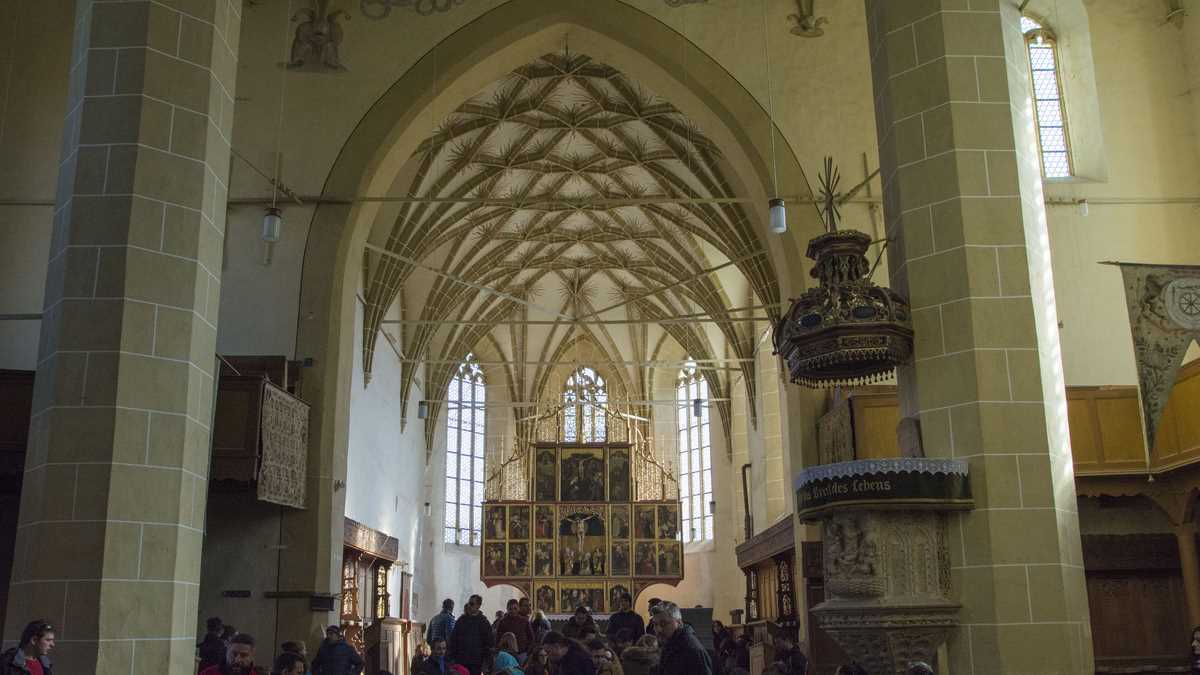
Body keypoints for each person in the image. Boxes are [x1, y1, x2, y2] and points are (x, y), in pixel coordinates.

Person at [653, 602, 711, 675]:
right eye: (655, 624)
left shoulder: (692, 650)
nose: (659, 629)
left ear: (679, 623)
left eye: (664, 624)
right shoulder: (669, 643)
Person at [448, 594, 494, 675]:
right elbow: (453, 639)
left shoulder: (483, 622)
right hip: (461, 660)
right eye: (469, 603)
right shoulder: (461, 620)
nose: (469, 606)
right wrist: (452, 657)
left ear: (478, 606)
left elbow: (489, 643)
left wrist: (486, 662)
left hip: (476, 662)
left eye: (472, 604)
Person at [201, 633, 266, 675]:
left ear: (252, 657)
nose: (237, 660)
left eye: (244, 655)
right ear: (226, 653)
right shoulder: (207, 673)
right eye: (234, 654)